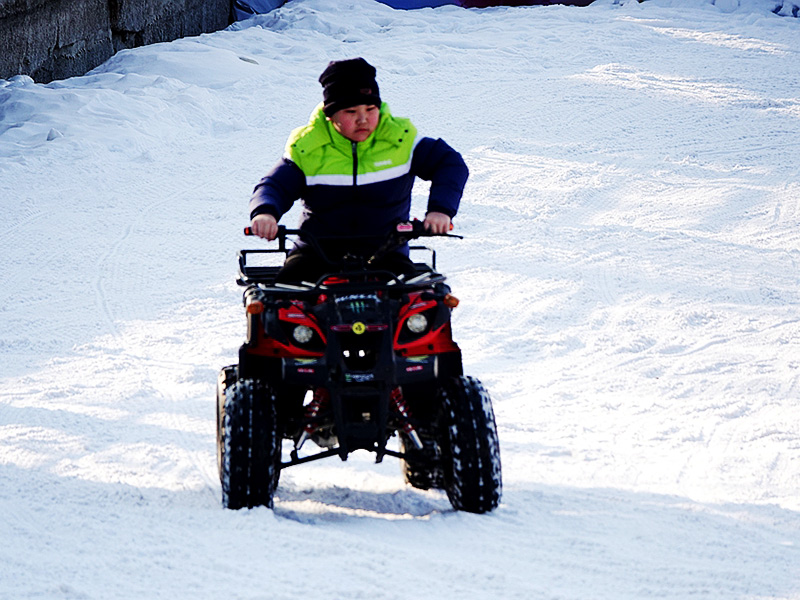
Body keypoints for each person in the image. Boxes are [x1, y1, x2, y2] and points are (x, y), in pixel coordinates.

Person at [248, 57, 469, 283]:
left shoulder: (401, 140)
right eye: (351, 111)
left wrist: (440, 210)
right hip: (317, 251)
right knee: (282, 300)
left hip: (386, 250)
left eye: (371, 108)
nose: (363, 119)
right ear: (330, 114)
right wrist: (265, 212)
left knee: (421, 303)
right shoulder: (308, 147)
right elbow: (274, 185)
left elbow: (450, 163)